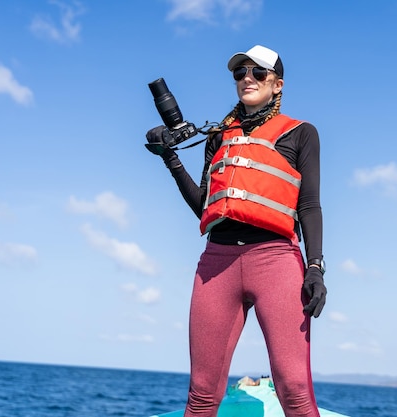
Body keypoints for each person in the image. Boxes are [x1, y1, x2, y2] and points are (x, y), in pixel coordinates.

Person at [145, 45, 327, 417]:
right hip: (217, 263)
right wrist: (171, 159)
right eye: (240, 73)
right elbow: (204, 206)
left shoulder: (302, 134)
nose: (247, 78)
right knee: (201, 393)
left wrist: (315, 267)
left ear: (277, 85)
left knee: (294, 389)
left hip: (275, 260)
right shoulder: (217, 138)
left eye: (258, 73)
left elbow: (308, 205)